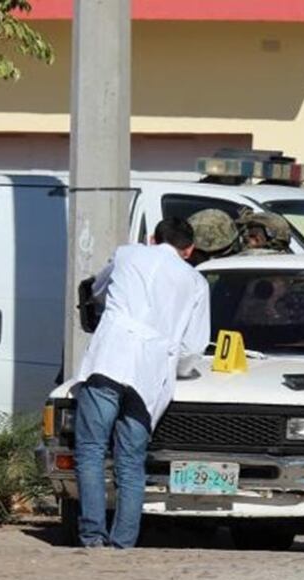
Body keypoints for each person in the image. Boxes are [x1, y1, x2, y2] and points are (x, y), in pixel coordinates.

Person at [73, 217, 210, 548]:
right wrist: (180, 367)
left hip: (110, 359)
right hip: (151, 373)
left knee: (91, 449)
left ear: (152, 239)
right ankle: (124, 542)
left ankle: (92, 536)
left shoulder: (126, 255)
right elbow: (193, 347)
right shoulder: (195, 282)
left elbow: (97, 290)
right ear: (189, 250)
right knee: (131, 461)